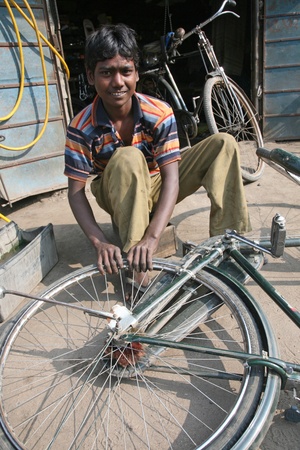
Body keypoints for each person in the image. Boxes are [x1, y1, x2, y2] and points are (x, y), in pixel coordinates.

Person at [64, 23, 251, 285]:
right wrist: (100, 242)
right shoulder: (81, 127)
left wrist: (153, 237)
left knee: (224, 143)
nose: (118, 82)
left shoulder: (159, 113)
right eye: (106, 73)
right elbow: (76, 192)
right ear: (91, 76)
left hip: (158, 183)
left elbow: (171, 179)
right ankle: (137, 268)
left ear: (136, 74)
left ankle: (229, 245)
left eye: (126, 71)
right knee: (128, 157)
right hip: (116, 188)